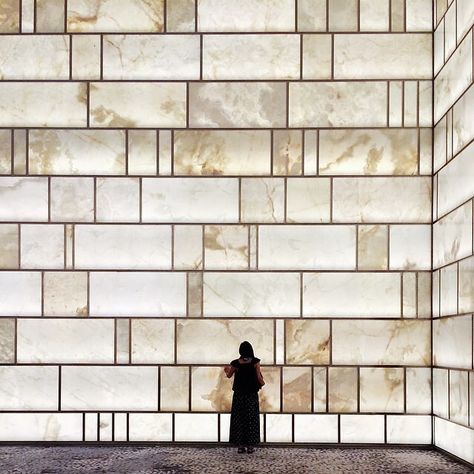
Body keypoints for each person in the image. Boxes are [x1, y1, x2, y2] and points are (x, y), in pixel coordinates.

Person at [223, 340, 265, 454]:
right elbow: (259, 377)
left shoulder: (235, 363)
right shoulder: (256, 362)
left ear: (240, 350)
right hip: (251, 395)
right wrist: (262, 382)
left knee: (239, 419)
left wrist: (226, 369)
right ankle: (250, 446)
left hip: (239, 395)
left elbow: (229, 375)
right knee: (251, 419)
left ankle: (240, 446)